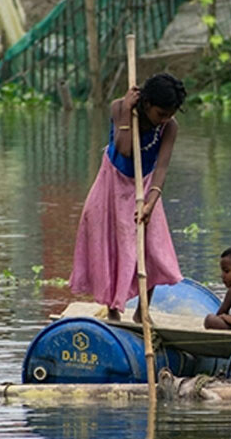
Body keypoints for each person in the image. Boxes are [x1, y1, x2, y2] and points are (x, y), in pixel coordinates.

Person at [70, 73, 186, 321]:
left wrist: (151, 202)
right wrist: (125, 111)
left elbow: (162, 167)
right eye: (160, 114)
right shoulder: (119, 108)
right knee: (110, 242)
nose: (164, 119)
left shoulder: (169, 127)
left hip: (145, 185)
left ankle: (143, 309)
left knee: (152, 246)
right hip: (112, 182)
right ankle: (113, 309)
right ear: (146, 104)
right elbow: (124, 149)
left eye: (169, 114)